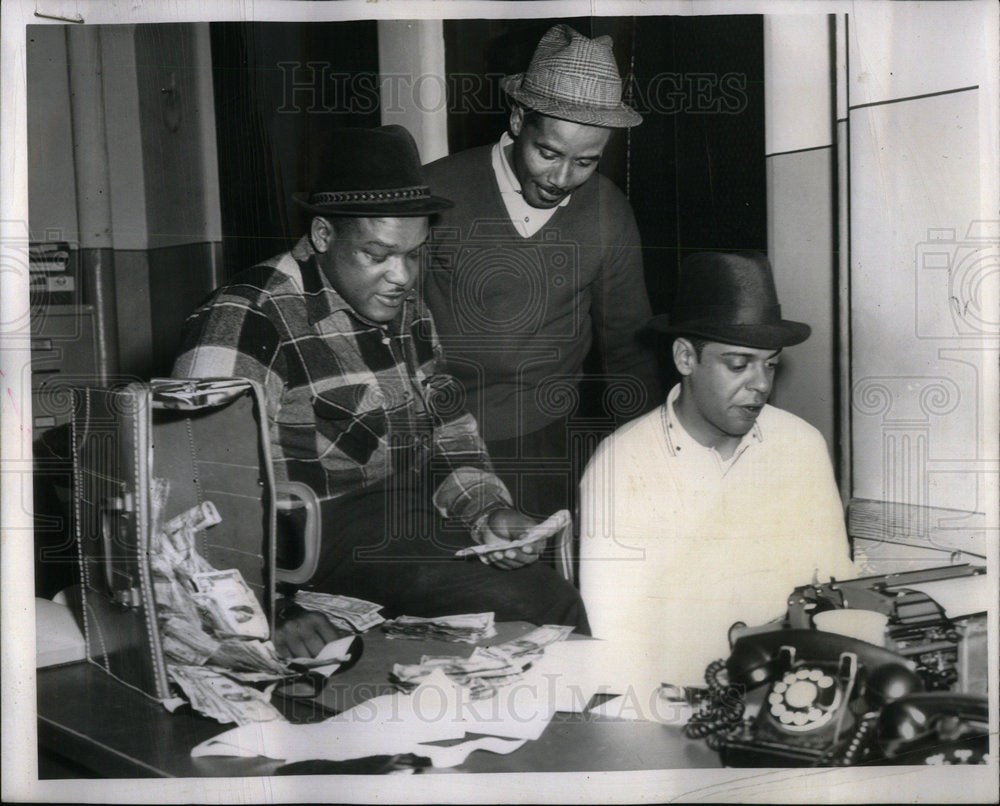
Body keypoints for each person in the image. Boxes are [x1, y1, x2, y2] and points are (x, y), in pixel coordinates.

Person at [173, 125, 589, 658]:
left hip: (399, 525)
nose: (402, 276)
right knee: (540, 602)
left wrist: (488, 513)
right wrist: (264, 607)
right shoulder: (245, 315)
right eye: (378, 254)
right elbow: (193, 489)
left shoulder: (404, 310)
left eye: (413, 255)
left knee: (547, 603)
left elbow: (447, 429)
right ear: (323, 236)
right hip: (303, 550)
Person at [578, 251, 858, 684]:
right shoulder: (622, 467)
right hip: (670, 700)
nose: (761, 385)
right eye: (738, 364)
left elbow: (835, 592)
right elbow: (616, 643)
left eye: (770, 364)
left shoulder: (801, 445)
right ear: (686, 358)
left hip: (797, 684)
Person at [422, 24, 662, 520]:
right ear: (516, 120)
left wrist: (644, 466)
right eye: (548, 153)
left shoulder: (608, 214)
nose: (560, 179)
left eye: (586, 162)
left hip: (547, 440)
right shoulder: (434, 193)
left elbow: (628, 353)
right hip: (436, 437)